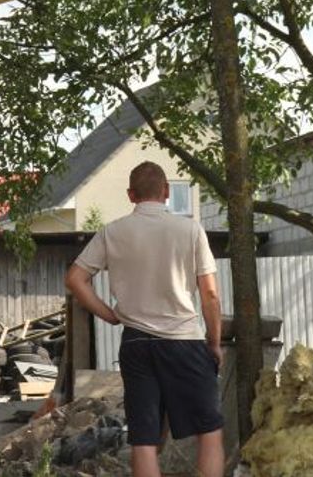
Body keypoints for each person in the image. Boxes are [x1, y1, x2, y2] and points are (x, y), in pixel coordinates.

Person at [65, 161, 224, 477]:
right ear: (166, 191)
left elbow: (75, 278)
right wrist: (214, 342)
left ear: (130, 194)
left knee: (145, 439)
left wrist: (108, 315)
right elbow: (210, 295)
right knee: (209, 431)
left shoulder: (112, 232)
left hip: (136, 343)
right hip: (184, 342)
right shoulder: (190, 230)